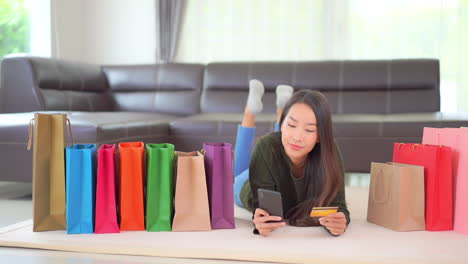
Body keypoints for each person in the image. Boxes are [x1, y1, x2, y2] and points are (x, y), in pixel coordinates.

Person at [233, 80, 350, 237]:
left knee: (281, 142)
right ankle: (251, 111)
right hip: (247, 182)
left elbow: (339, 205)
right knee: (237, 174)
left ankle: (281, 107)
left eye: (309, 130)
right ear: (282, 125)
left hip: (273, 161)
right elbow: (262, 208)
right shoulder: (265, 147)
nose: (297, 137)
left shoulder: (329, 151)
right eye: (291, 125)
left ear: (320, 136)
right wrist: (261, 219)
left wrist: (340, 220)